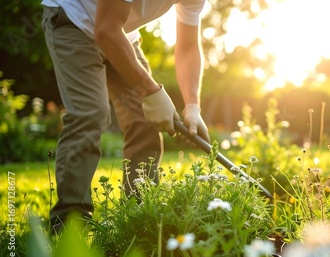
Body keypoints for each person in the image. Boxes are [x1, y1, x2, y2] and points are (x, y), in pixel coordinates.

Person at [41, 0, 210, 232]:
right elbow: (105, 30)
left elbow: (189, 46)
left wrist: (193, 106)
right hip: (74, 19)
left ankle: (140, 219)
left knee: (146, 121)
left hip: (120, 33)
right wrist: (150, 90)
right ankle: (70, 228)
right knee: (90, 114)